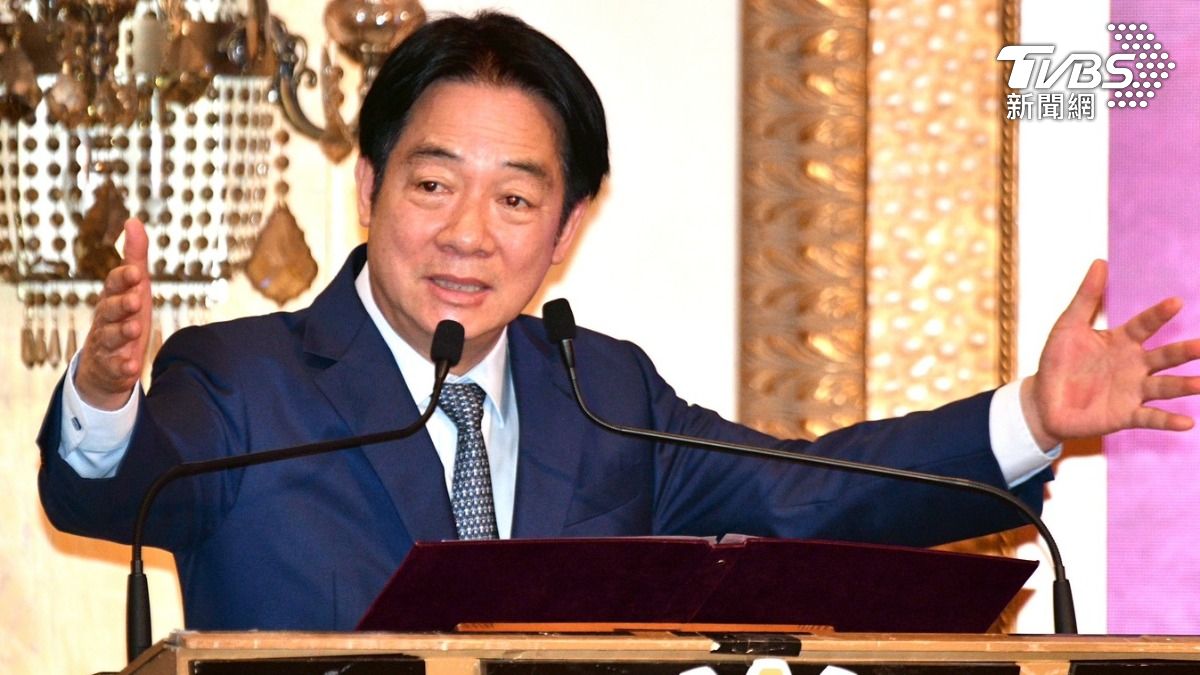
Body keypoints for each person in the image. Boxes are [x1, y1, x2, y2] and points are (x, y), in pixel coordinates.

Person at [38, 12, 1200, 631]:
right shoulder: (243, 381)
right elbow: (110, 489)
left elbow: (813, 495)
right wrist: (102, 398)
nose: (467, 235)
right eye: (433, 185)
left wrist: (1031, 417)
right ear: (371, 187)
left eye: (515, 200)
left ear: (567, 227)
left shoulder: (603, 397)